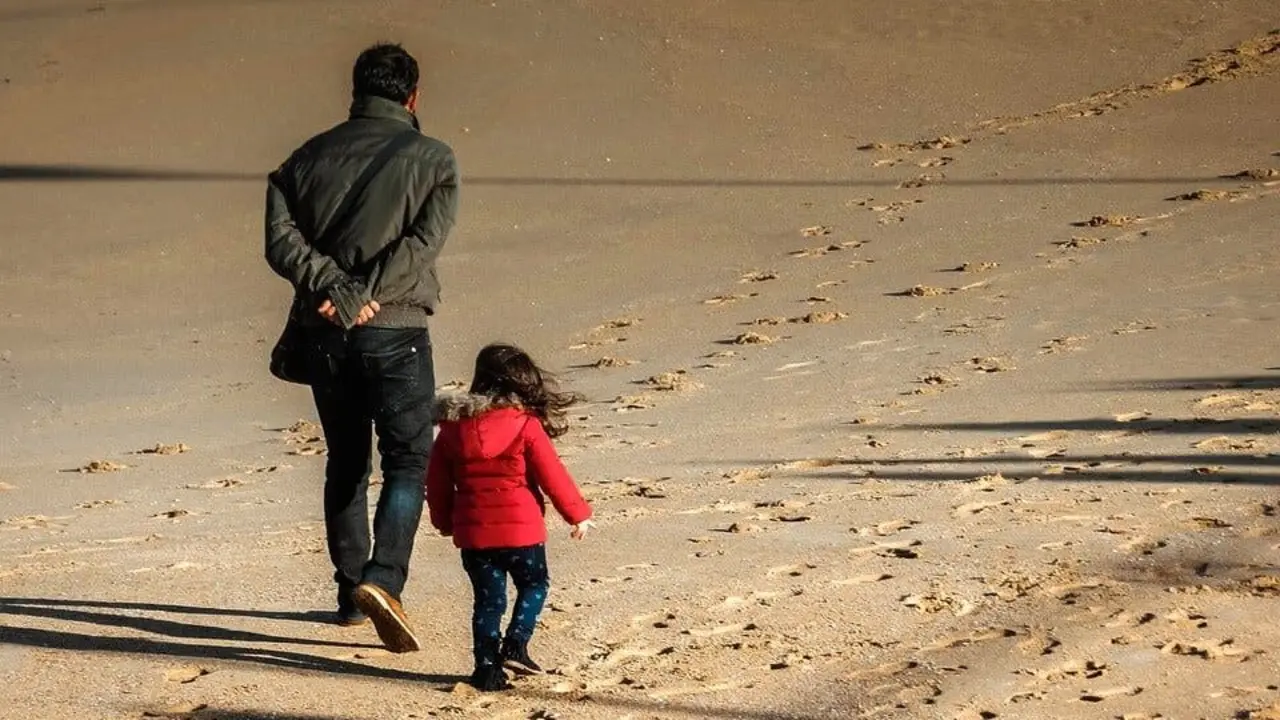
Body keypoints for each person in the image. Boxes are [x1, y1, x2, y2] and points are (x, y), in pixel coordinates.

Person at [264, 42, 459, 653]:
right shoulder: (435, 159)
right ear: (414, 96)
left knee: (347, 462)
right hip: (397, 331)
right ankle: (384, 580)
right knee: (407, 460)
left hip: (327, 333)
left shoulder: (303, 159)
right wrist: (365, 293)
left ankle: (351, 594)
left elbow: (280, 240)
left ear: (355, 91)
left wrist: (332, 288)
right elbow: (421, 246)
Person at [425, 343, 595, 691]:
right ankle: (516, 644)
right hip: (522, 533)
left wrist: (444, 522)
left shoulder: (451, 430)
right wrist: (577, 515)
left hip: (475, 536)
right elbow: (552, 475)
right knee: (534, 584)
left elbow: (437, 484)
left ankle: (486, 667)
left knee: (488, 602)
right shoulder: (525, 425)